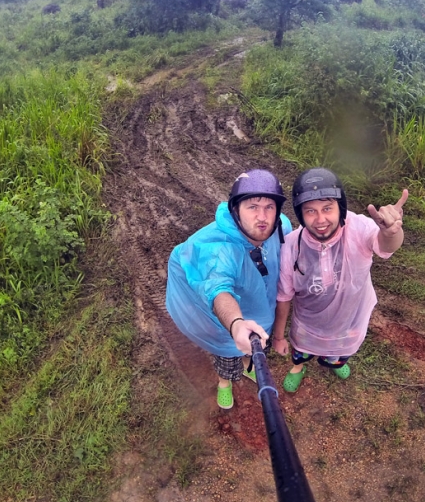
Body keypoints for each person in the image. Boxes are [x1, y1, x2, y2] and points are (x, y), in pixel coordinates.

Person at [272, 168, 408, 392]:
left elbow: (384, 246)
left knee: (339, 354)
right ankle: (299, 367)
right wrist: (278, 337)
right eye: (310, 211)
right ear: (300, 214)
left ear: (340, 207)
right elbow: (284, 297)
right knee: (300, 353)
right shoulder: (291, 246)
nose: (320, 219)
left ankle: (334, 361)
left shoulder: (357, 228)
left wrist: (391, 233)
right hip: (307, 326)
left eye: (327, 208)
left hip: (348, 322)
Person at [165, 170, 291, 409]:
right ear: (236, 210)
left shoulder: (280, 228)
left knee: (251, 350)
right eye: (252, 207)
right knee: (228, 353)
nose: (262, 216)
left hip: (257, 308)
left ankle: (248, 365)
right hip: (226, 326)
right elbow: (218, 287)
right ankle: (225, 382)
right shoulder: (219, 248)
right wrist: (236, 324)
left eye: (269, 207)